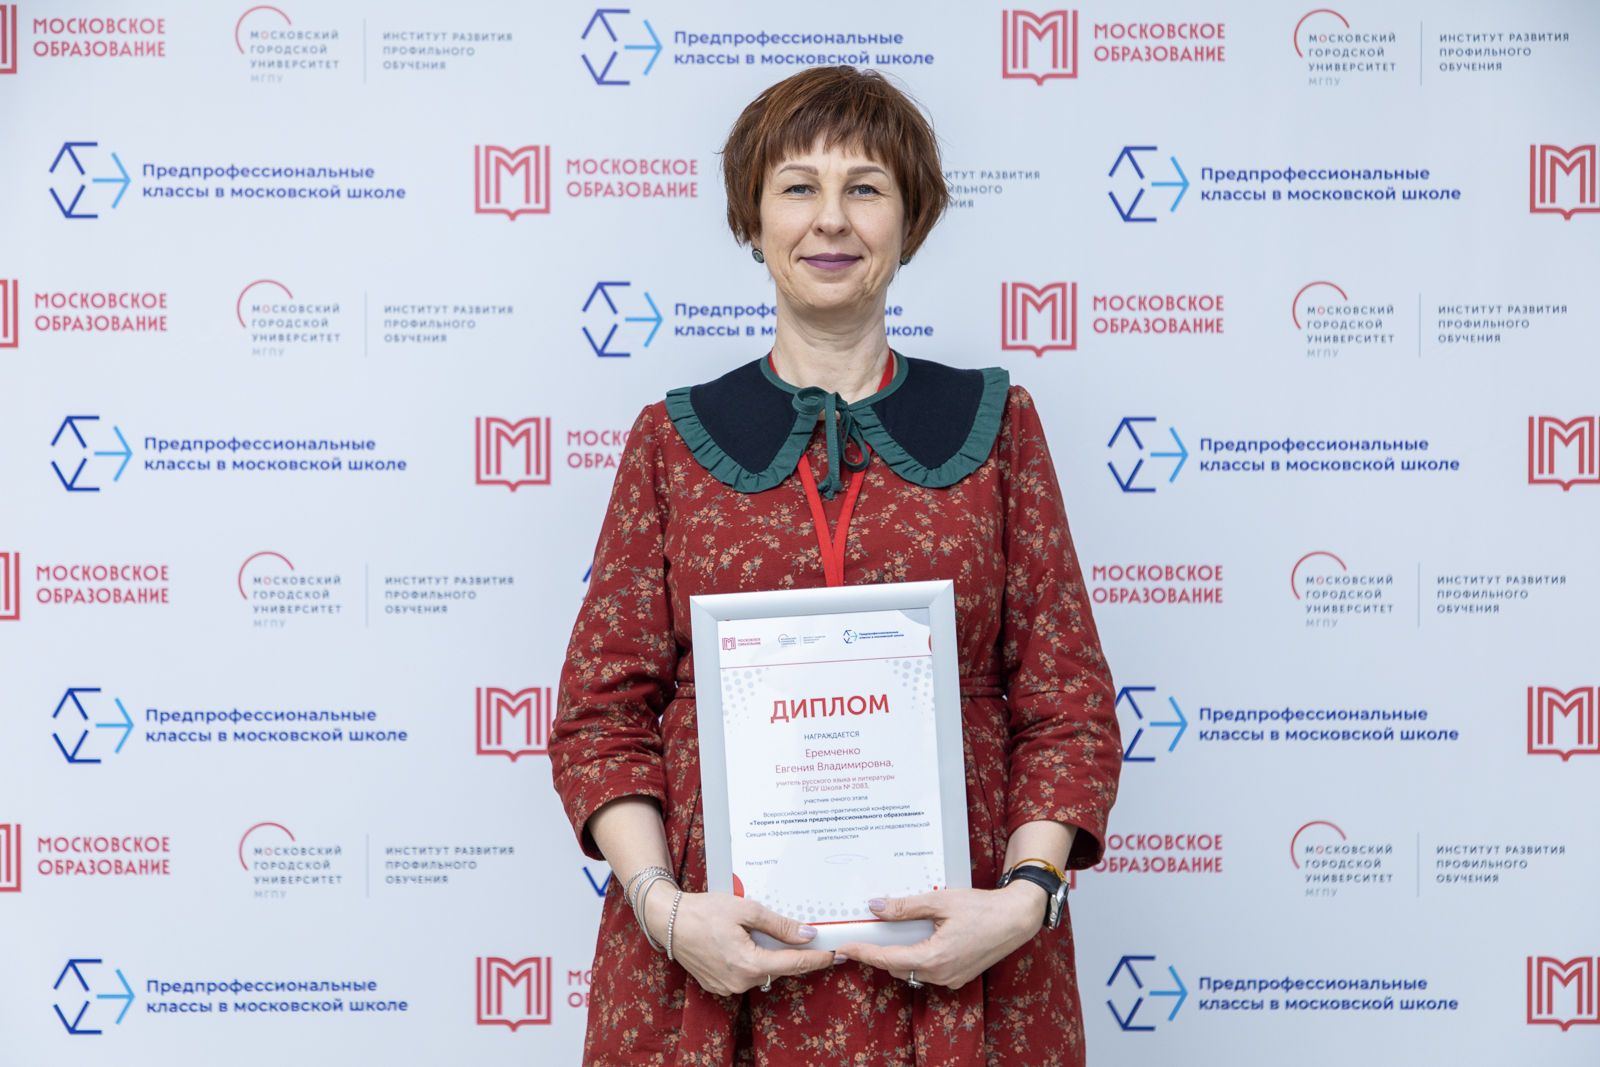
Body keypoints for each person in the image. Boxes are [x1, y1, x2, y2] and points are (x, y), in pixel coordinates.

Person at [550, 65, 1121, 1067]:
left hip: (965, 952)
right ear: (752, 216)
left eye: (864, 187)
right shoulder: (669, 442)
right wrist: (663, 908)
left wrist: (1026, 897)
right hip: (712, 963)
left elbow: (1065, 697)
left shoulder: (999, 428)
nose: (831, 219)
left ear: (910, 217)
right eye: (797, 186)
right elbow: (601, 713)